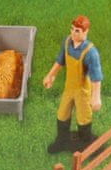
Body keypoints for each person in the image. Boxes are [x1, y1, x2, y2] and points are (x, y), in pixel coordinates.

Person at [42, 14, 102, 153]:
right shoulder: (67, 42)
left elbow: (96, 77)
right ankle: (62, 141)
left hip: (82, 91)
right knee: (62, 113)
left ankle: (85, 144)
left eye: (77, 31)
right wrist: (50, 75)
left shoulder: (91, 52)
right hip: (69, 88)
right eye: (72, 29)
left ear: (85, 32)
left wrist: (96, 97)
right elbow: (60, 61)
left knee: (83, 117)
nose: (73, 33)